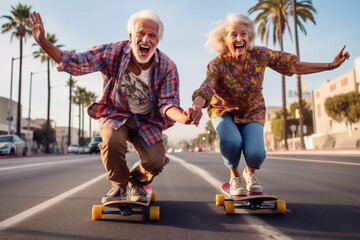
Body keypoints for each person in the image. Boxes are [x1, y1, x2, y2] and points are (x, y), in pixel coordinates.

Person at [27, 10, 195, 203]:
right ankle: (119, 185)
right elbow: (75, 63)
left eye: (152, 35)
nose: (146, 39)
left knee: (156, 161)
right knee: (111, 141)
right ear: (131, 36)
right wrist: (43, 42)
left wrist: (184, 117)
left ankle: (137, 184)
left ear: (157, 41)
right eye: (140, 33)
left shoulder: (167, 67)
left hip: (147, 121)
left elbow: (167, 103)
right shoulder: (112, 52)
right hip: (115, 113)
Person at [186, 13, 350, 196]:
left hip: (252, 110)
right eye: (233, 35)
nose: (239, 38)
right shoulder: (217, 64)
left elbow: (293, 66)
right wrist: (196, 106)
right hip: (223, 111)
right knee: (232, 142)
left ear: (249, 38)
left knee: (256, 154)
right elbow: (206, 87)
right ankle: (235, 176)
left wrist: (330, 65)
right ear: (226, 39)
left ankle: (250, 173)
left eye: (243, 34)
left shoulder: (260, 55)